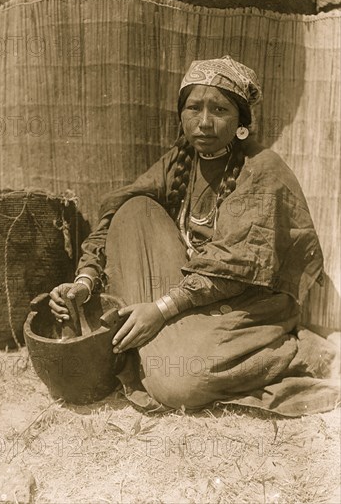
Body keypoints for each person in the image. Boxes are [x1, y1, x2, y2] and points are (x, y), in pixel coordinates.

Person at [49, 56, 339, 416]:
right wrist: (86, 280)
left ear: (241, 123)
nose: (204, 122)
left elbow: (235, 267)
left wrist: (160, 309)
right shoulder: (180, 160)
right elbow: (113, 214)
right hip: (190, 289)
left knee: (177, 385)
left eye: (219, 109)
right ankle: (155, 342)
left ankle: (299, 354)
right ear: (181, 115)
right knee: (133, 208)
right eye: (193, 108)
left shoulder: (263, 170)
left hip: (248, 301)